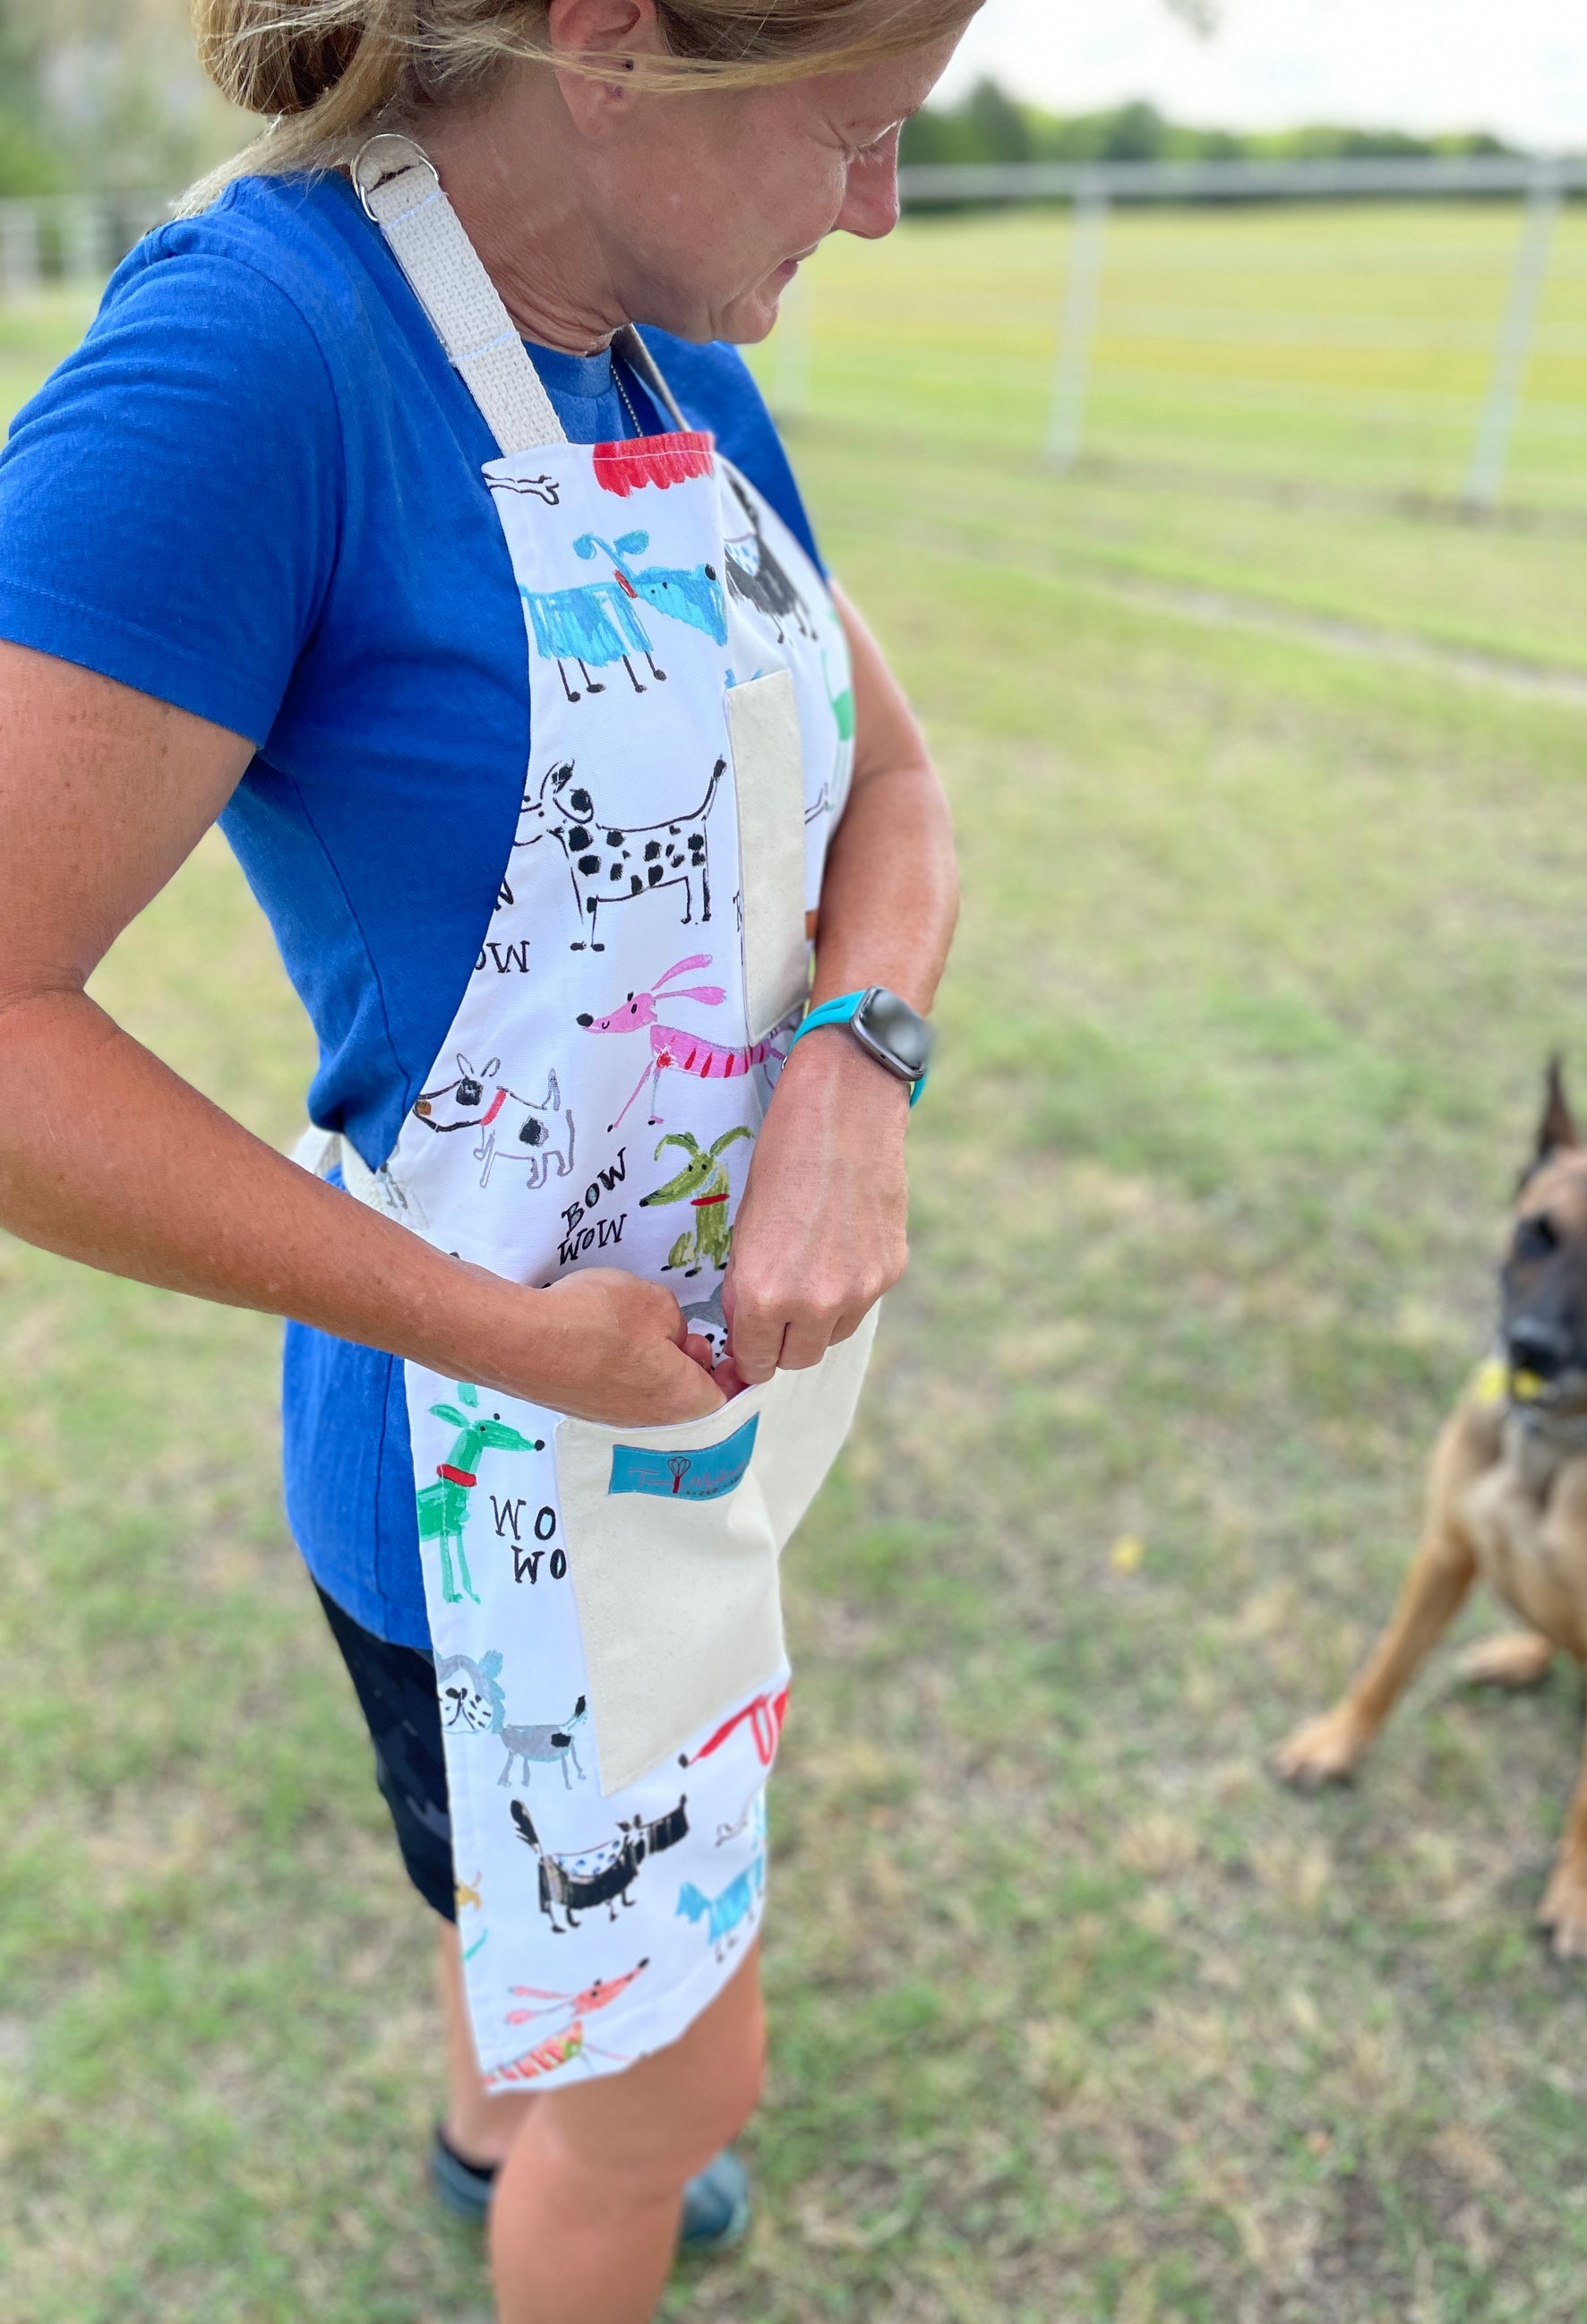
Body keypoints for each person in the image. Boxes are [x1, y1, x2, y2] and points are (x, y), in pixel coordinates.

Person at [0, 0, 967, 2314]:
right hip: (480, 1481)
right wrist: (499, 1324)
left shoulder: (665, 362)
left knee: (531, 1955)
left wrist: (852, 1059)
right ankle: (562, 2161)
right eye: (852, 126)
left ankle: (480, 2119)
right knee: (665, 2103)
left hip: (684, 1437)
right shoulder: (254, 363)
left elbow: (899, 799)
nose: (880, 203)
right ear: (613, 40)